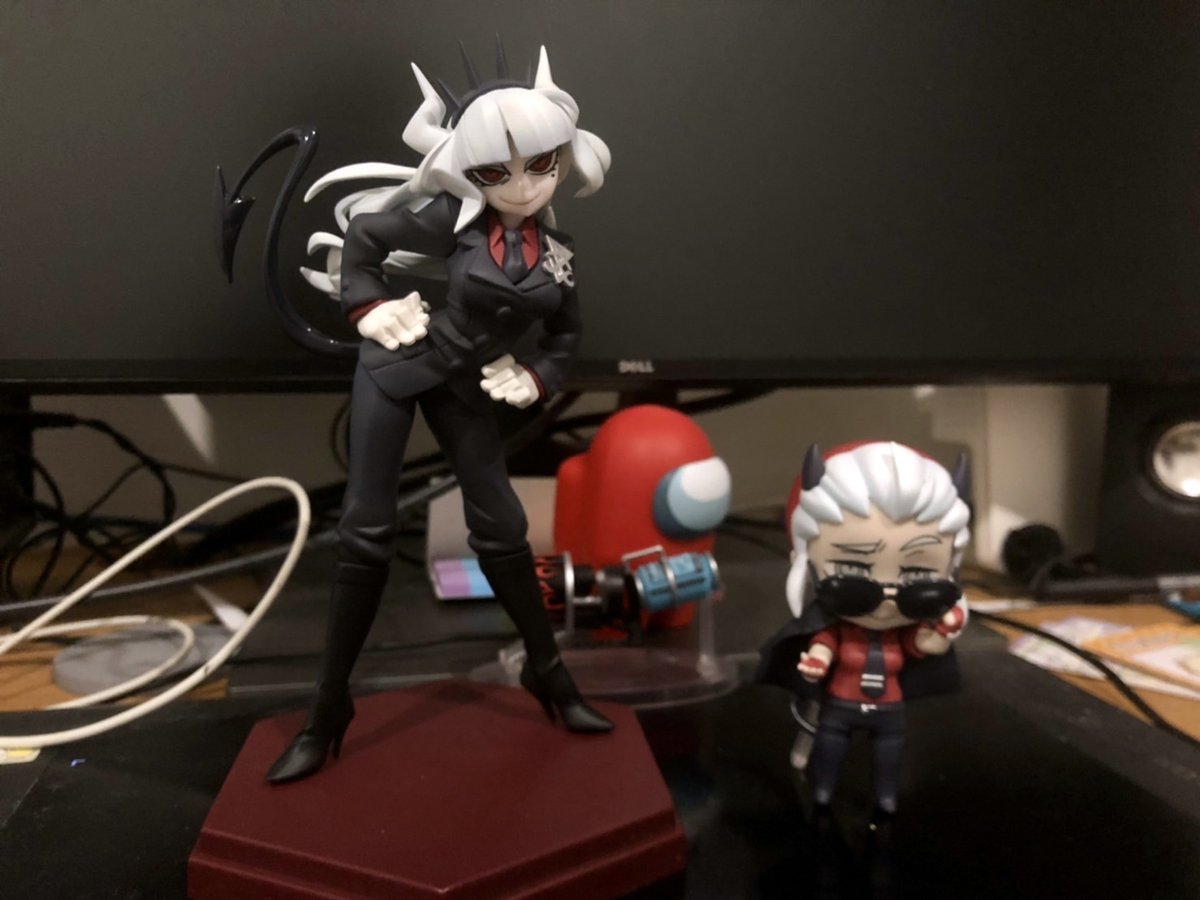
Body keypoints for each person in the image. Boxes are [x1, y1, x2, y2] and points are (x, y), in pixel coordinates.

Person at [265, 42, 615, 785]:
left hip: (465, 387)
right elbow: (365, 240)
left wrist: (535, 376)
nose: (522, 185)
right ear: (467, 170)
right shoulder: (447, 223)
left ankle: (548, 672)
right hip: (395, 371)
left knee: (504, 527)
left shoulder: (556, 251)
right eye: (495, 172)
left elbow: (567, 336)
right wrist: (369, 308)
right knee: (366, 532)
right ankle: (328, 708)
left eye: (541, 164)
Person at [756, 441, 971, 815]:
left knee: (888, 758)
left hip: (889, 711)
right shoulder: (840, 630)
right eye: (853, 571)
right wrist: (817, 661)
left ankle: (885, 796)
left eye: (917, 575)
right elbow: (825, 643)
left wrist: (942, 632)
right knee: (828, 751)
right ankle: (823, 792)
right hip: (839, 706)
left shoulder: (903, 635)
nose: (888, 596)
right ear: (805, 564)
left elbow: (926, 646)